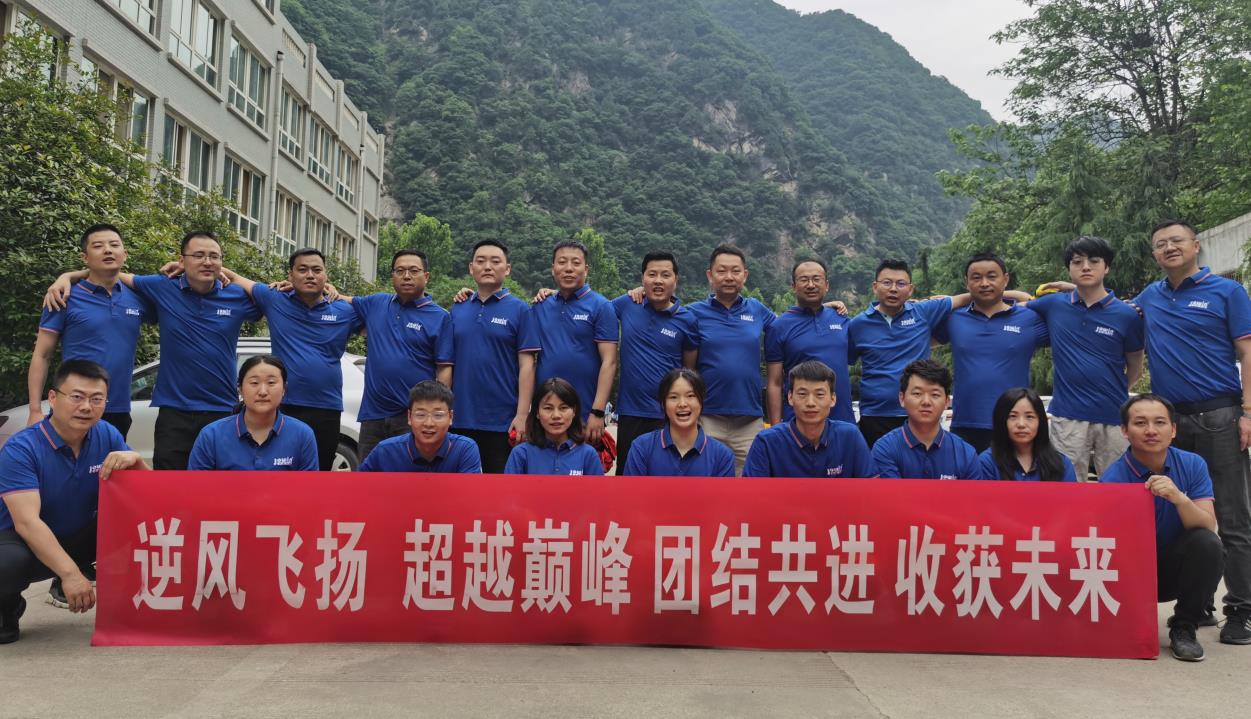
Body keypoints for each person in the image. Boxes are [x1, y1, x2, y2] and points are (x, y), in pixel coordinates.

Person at [1127, 219, 1251, 644]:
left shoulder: (1227, 291)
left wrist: (1248, 412)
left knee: (1232, 517)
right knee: (1180, 512)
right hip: (1170, 422)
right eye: (1160, 244)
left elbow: (1247, 352)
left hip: (1221, 414)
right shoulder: (1150, 296)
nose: (1169, 248)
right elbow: (1111, 309)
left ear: (1195, 245)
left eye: (1176, 240)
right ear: (1155, 254)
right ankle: (1198, 605)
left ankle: (1241, 609)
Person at [45, 231, 262, 470]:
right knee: (168, 484)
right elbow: (110, 273)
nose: (207, 262)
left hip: (222, 409)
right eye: (198, 255)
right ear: (182, 260)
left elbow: (267, 298)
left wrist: (231, 274)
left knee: (221, 484)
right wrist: (68, 276)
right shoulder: (162, 287)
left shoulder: (235, 295)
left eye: (214, 257)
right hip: (174, 411)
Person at [0, 360, 146, 642]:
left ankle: (137, 604)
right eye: (77, 397)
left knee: (143, 527)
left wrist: (137, 461)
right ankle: (7, 606)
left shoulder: (106, 434)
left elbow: (151, 496)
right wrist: (70, 574)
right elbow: (27, 523)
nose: (86, 407)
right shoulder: (22, 449)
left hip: (79, 535)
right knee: (6, 564)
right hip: (24, 543)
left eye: (96, 399)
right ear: (53, 398)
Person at [1100, 394, 1223, 662]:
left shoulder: (1192, 464)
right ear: (1124, 431)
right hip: (1131, 574)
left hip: (1174, 570)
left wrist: (1179, 498)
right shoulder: (1112, 479)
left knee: (1208, 544)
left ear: (1173, 429)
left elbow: (1208, 523)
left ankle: (1185, 626)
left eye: (1159, 422)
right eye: (1140, 423)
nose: (1151, 431)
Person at [220, 248, 361, 470]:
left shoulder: (344, 311)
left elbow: (379, 322)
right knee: (278, 471)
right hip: (283, 405)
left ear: (326, 276)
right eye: (302, 270)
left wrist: (340, 295)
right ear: (290, 275)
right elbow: (234, 277)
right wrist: (185, 265)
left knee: (319, 474)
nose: (310, 275)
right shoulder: (274, 298)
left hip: (326, 407)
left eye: (317, 270)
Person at [1027, 236, 1144, 480]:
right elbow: (1012, 306)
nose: (1086, 267)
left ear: (1107, 267)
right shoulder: (1053, 305)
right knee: (1066, 486)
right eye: (1077, 262)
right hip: (1067, 416)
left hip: (1114, 416)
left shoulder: (1126, 314)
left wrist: (1115, 390)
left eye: (1094, 261)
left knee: (1118, 487)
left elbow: (1135, 366)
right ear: (1069, 268)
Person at [28, 224, 153, 438]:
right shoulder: (63, 296)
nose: (107, 250)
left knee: (112, 461)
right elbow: (42, 355)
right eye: (98, 246)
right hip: (73, 407)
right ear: (85, 257)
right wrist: (34, 410)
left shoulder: (138, 298)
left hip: (118, 409)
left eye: (114, 245)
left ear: (124, 254)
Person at [848, 259, 986, 448]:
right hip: (875, 415)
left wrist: (1013, 294)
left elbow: (971, 297)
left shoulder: (923, 312)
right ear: (875, 286)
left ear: (910, 289)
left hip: (918, 414)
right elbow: (846, 359)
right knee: (878, 465)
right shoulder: (858, 324)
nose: (893, 289)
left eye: (901, 283)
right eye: (887, 282)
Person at [933, 253, 1048, 452]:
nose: (984, 283)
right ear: (966, 282)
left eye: (992, 276)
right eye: (976, 277)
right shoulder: (954, 318)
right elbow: (918, 338)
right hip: (965, 423)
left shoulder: (1030, 319)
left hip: (1015, 424)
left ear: (1005, 279)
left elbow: (1070, 330)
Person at [350, 249, 454, 462]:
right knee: (369, 476)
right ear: (393, 276)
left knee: (410, 476)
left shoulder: (440, 317)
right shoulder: (376, 303)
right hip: (373, 414)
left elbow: (444, 368)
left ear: (426, 276)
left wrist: (436, 412)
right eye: (400, 271)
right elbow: (341, 300)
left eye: (414, 271)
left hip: (413, 416)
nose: (407, 276)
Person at [446, 241, 540, 473]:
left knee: (498, 488)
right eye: (481, 261)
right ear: (471, 268)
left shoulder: (520, 310)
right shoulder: (458, 308)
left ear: (507, 269)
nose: (487, 266)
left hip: (502, 421)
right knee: (459, 487)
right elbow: (446, 364)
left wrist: (522, 415)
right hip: (459, 419)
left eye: (495, 261)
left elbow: (527, 365)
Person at [690, 244, 776, 475]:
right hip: (707, 417)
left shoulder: (757, 310)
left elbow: (789, 325)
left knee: (750, 487)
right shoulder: (693, 313)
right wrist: (640, 293)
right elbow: (664, 310)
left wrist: (823, 308)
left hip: (749, 420)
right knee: (705, 484)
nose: (729, 277)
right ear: (710, 275)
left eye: (735, 271)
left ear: (745, 275)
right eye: (722, 271)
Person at [611, 252, 699, 474]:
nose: (658, 280)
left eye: (665, 275)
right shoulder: (627, 304)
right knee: (628, 477)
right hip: (631, 412)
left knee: (668, 478)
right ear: (642, 278)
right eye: (652, 274)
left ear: (675, 280)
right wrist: (558, 293)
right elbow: (592, 308)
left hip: (668, 415)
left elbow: (689, 371)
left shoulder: (687, 320)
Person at [530, 240, 618, 446]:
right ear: (553, 268)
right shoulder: (540, 306)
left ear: (586, 269)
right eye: (562, 262)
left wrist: (598, 411)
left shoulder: (601, 306)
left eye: (575, 263)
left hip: (585, 412)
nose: (568, 268)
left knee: (582, 463)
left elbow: (610, 362)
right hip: (545, 412)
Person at [187, 355, 318, 472]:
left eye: (271, 383)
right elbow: (195, 487)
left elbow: (309, 488)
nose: (263, 391)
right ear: (240, 389)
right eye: (254, 383)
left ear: (284, 388)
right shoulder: (211, 436)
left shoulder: (303, 435)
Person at [743, 361, 873, 478]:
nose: (810, 403)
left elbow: (871, 489)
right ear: (790, 397)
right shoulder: (766, 442)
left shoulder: (850, 437)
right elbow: (751, 493)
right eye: (802, 394)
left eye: (819, 394)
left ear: (833, 399)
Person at [766, 259, 854, 426]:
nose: (811, 285)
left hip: (842, 421)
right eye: (804, 280)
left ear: (826, 285)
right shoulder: (778, 327)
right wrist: (776, 428)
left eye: (816, 279)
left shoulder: (842, 319)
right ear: (794, 286)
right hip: (798, 423)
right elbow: (775, 383)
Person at [871, 359, 979, 480]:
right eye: (917, 393)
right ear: (902, 398)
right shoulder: (885, 449)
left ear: (946, 402)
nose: (926, 402)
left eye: (935, 395)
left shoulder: (966, 454)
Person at [621, 368, 735, 477]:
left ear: (701, 402)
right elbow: (631, 491)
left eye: (690, 396)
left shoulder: (722, 456)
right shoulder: (641, 448)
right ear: (663, 404)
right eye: (673, 397)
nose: (682, 404)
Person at [358, 381, 483, 473]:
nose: (429, 423)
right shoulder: (385, 451)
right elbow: (358, 487)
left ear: (450, 417)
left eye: (438, 415)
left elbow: (470, 495)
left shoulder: (464, 450)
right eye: (420, 414)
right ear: (409, 417)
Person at [974, 388, 1077, 482]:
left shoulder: (1062, 464)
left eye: (1029, 417)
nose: (1021, 424)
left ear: (1041, 421)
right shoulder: (987, 463)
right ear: (1001, 420)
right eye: (1013, 416)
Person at [505, 378, 604, 475]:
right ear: (537, 413)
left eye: (563, 408)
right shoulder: (521, 454)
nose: (556, 415)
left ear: (574, 411)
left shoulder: (588, 454)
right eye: (548, 408)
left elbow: (598, 486)